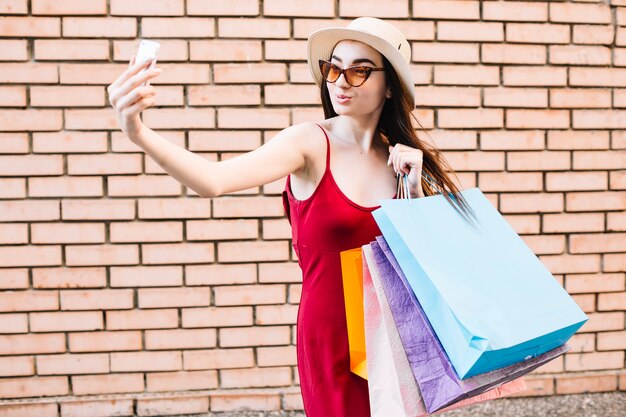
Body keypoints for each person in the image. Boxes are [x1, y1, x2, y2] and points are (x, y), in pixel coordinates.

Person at [107, 16, 471, 417]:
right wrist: (137, 131)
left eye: (360, 70)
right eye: (334, 67)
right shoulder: (309, 143)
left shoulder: (399, 158)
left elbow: (428, 264)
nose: (341, 81)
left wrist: (415, 190)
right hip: (332, 339)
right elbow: (214, 180)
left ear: (390, 88)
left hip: (395, 336)